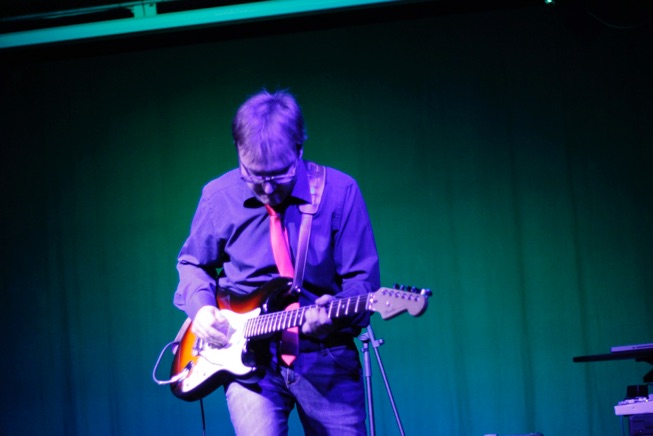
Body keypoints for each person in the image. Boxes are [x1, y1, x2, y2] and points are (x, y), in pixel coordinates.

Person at [173, 89, 380, 435]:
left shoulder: (340, 193)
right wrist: (202, 309)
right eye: (254, 175)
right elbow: (193, 263)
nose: (267, 189)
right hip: (248, 361)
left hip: (325, 356)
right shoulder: (218, 197)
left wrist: (332, 315)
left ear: (299, 149)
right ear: (237, 151)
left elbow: (362, 283)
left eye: (279, 175)